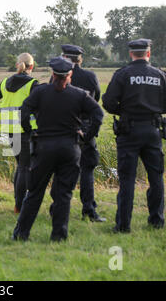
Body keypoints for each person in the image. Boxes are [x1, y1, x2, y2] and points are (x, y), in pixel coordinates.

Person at [13, 57, 103, 242]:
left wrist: (31, 131)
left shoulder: (40, 92)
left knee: (35, 192)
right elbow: (98, 113)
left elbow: (23, 112)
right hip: (70, 148)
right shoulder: (80, 95)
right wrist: (86, 135)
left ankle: (21, 234)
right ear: (70, 75)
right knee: (64, 194)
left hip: (44, 146)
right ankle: (59, 235)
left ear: (53, 74)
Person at [102, 39, 166, 233]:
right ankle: (156, 221)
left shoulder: (122, 75)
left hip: (129, 131)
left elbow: (109, 102)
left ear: (131, 54)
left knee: (127, 179)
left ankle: (123, 226)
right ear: (148, 53)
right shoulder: (160, 75)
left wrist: (125, 111)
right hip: (153, 131)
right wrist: (153, 110)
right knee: (156, 178)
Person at [49, 44, 106, 222]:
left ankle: (56, 207)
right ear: (80, 59)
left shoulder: (56, 78)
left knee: (61, 170)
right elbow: (96, 99)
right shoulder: (90, 76)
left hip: (64, 128)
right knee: (87, 170)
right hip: (86, 127)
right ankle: (89, 209)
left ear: (64, 58)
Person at [0, 53, 39, 214]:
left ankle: (18, 204)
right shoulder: (32, 84)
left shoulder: (5, 83)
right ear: (31, 67)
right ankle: (20, 206)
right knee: (24, 167)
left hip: (9, 130)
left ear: (18, 65)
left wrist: (1, 115)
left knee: (20, 166)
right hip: (26, 130)